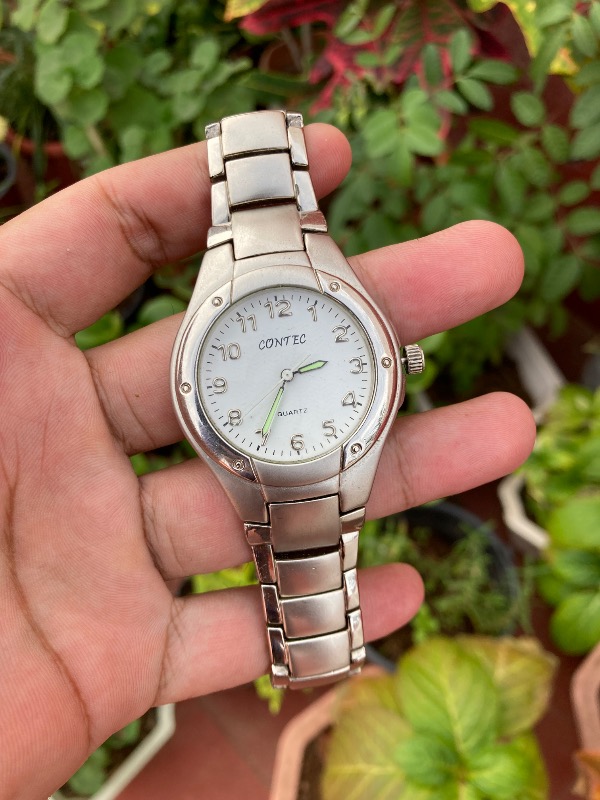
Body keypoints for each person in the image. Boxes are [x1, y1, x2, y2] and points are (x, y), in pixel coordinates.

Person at [0, 123, 536, 799]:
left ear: (397, 365)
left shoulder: (323, 333)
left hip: (313, 452)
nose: (285, 373)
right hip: (272, 459)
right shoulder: (228, 343)